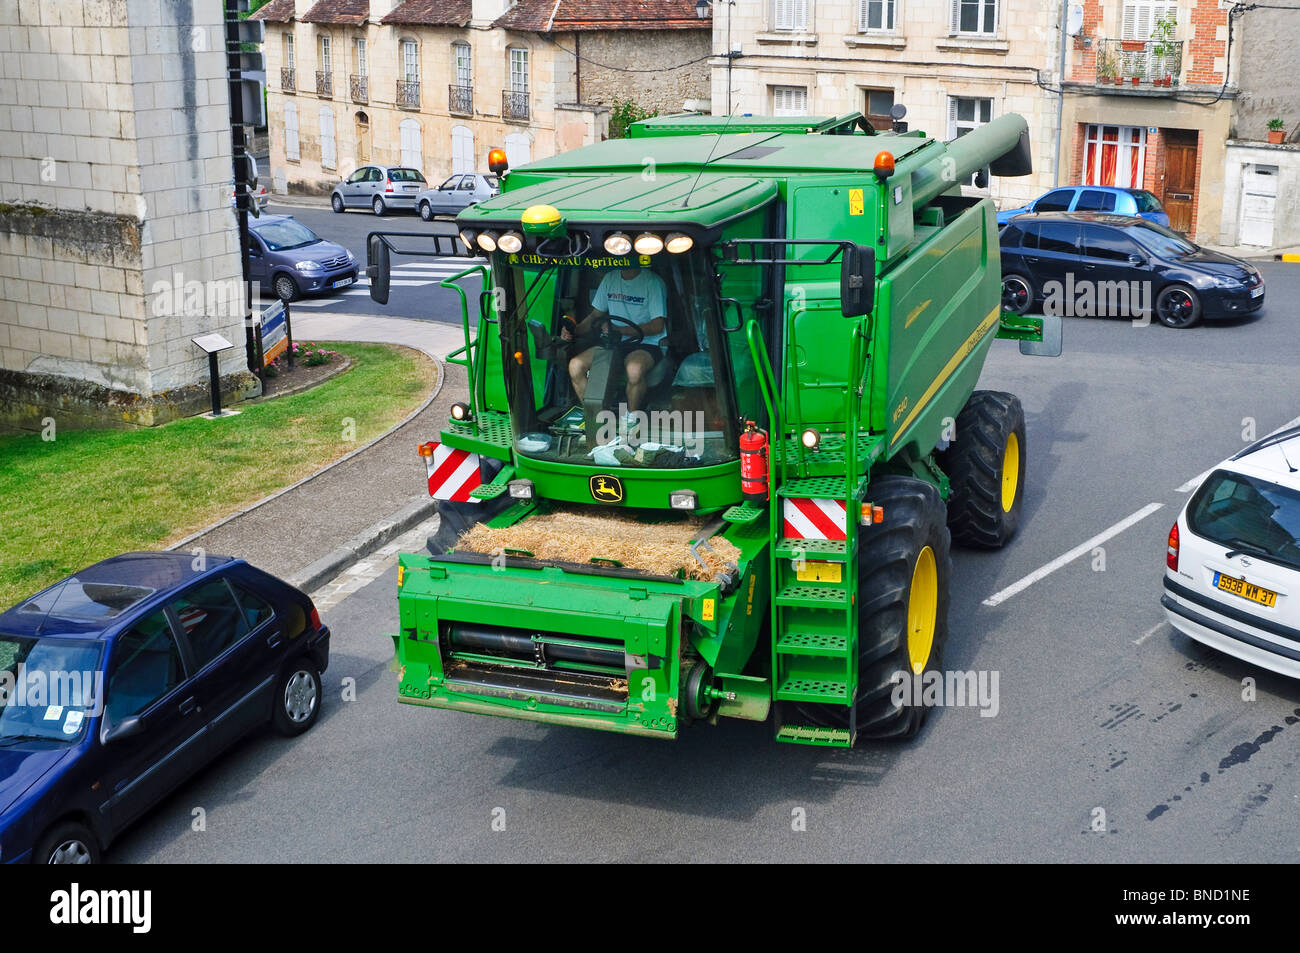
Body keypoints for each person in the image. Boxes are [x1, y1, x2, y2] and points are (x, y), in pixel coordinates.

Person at [563, 266, 668, 420]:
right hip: (614, 342)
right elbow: (595, 315)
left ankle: (632, 419)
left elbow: (657, 325)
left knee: (634, 369)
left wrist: (621, 330)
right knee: (575, 365)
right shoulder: (610, 278)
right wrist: (574, 331)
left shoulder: (653, 282)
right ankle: (596, 419)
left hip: (647, 343)